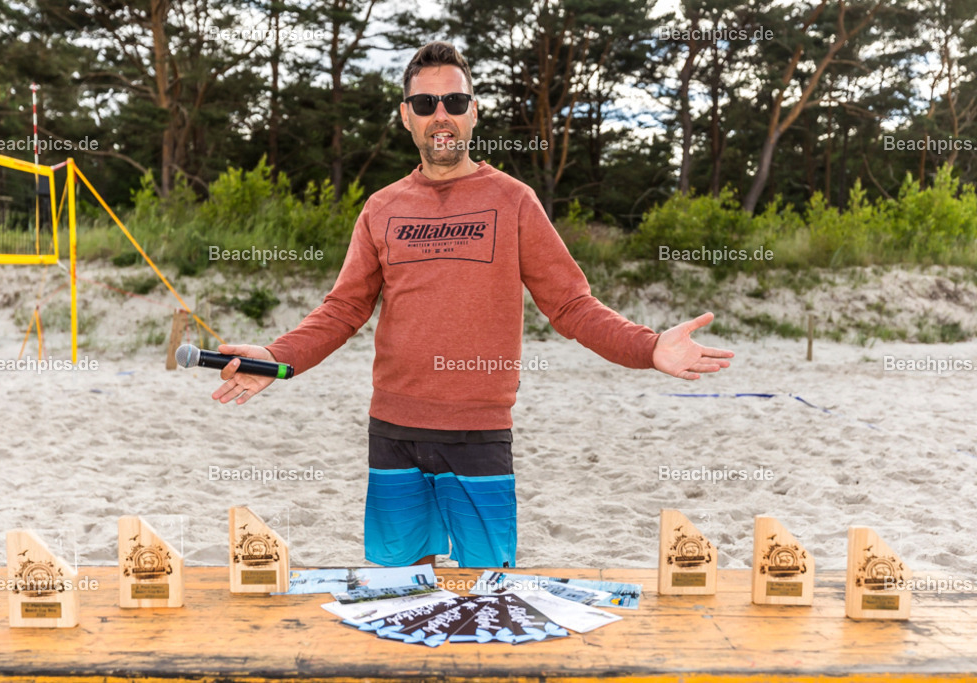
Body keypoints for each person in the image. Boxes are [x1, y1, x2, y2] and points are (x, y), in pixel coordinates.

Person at [211, 41, 734, 569]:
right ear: (406, 117)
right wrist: (276, 360)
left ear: (474, 112)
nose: (442, 116)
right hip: (395, 431)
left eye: (455, 103)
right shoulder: (381, 208)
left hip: (479, 433)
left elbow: (572, 305)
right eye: (425, 104)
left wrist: (648, 348)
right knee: (400, 591)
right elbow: (342, 309)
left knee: (488, 590)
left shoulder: (513, 200)